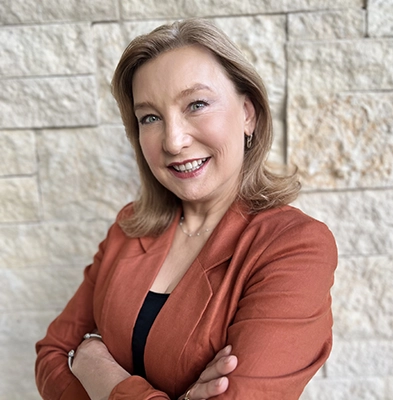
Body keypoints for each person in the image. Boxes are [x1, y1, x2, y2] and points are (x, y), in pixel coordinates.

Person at [35, 19, 337, 400]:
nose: (174, 141)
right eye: (150, 117)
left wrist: (98, 367)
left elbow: (73, 355)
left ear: (247, 113)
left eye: (196, 104)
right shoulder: (129, 228)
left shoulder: (295, 247)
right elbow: (51, 354)